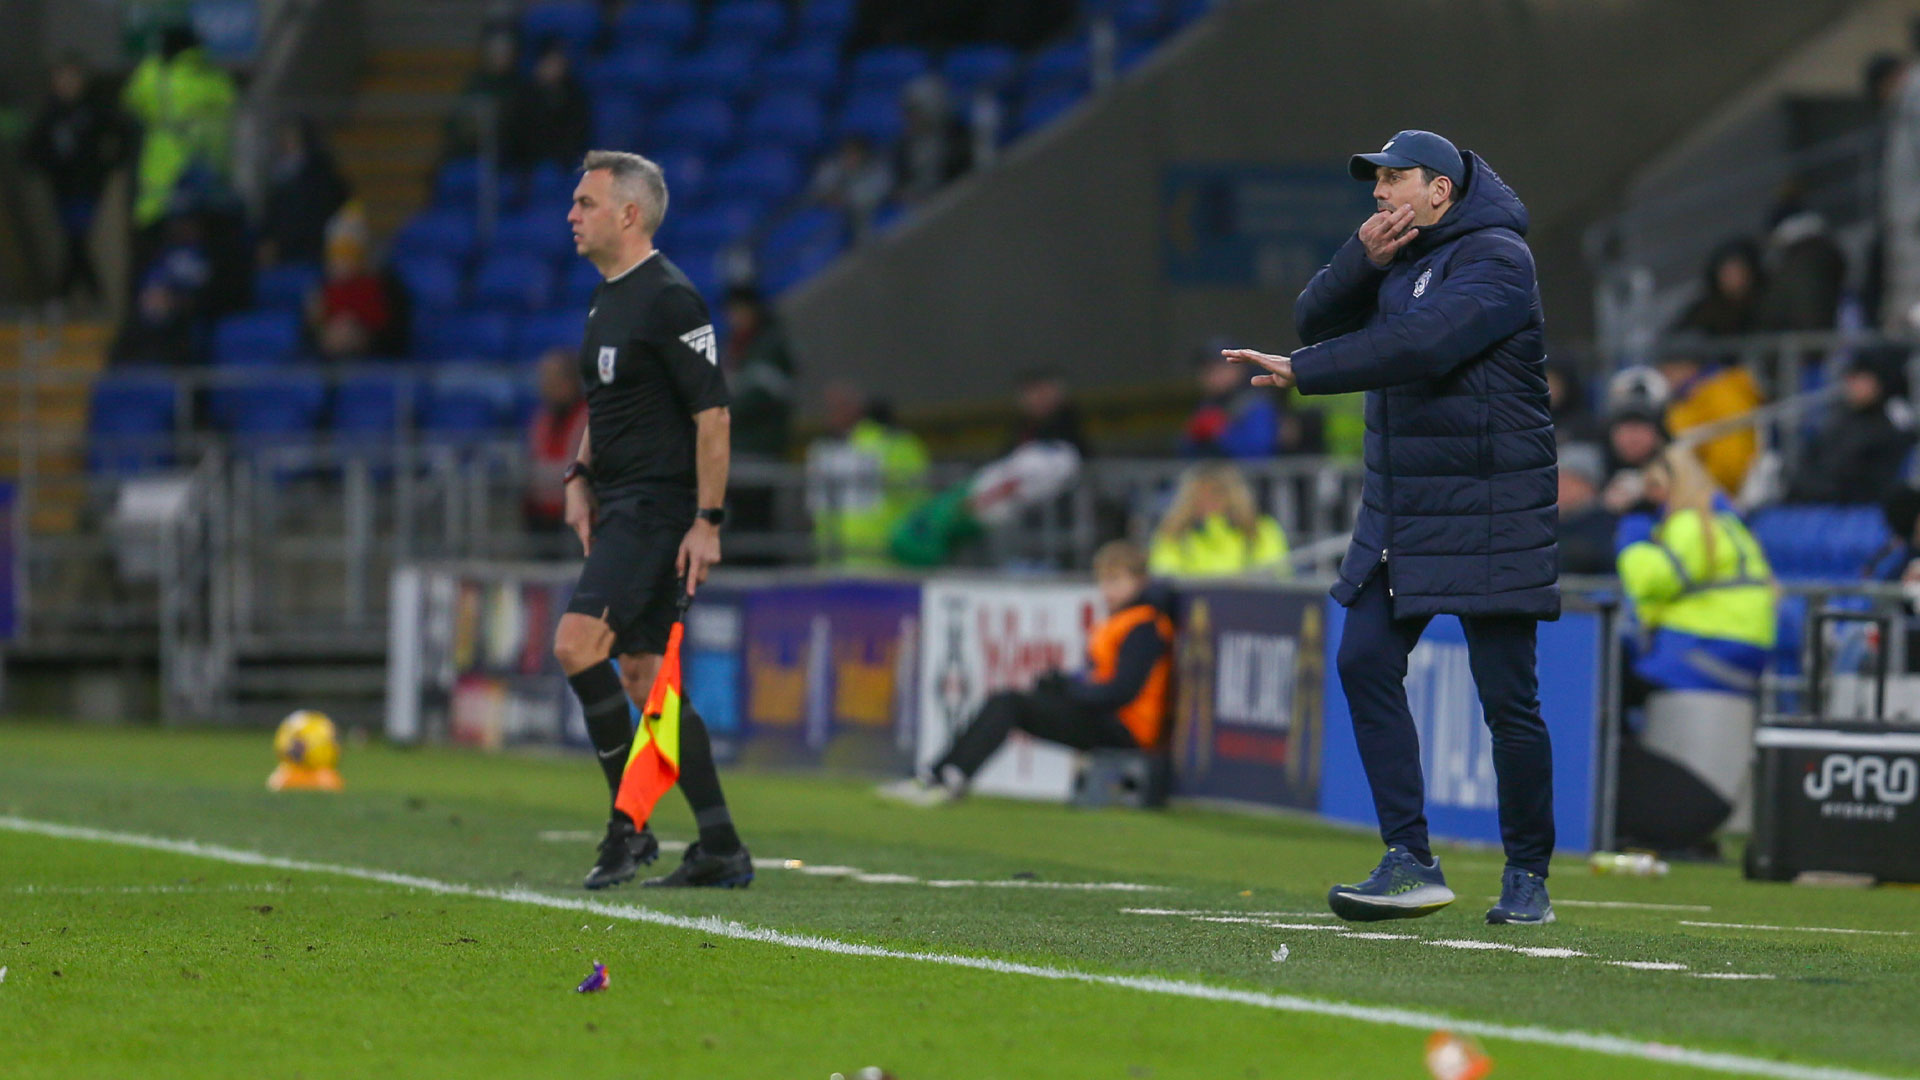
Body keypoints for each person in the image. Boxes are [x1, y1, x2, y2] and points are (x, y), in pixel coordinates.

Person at [1223, 129, 1558, 926]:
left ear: (1439, 189)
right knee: (1364, 660)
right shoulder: (1398, 258)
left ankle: (1528, 876)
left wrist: (1304, 374)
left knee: (1507, 701)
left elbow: (1421, 344)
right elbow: (1312, 318)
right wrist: (1360, 259)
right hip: (1404, 511)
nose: (1378, 193)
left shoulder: (1500, 261)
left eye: (1394, 179)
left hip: (1487, 510)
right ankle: (1409, 857)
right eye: (1374, 182)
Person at [552, 150, 751, 890]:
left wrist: (707, 520)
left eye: (586, 204)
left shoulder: (670, 299)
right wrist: (578, 473)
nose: (572, 215)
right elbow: (609, 405)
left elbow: (714, 415)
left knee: (577, 644)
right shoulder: (608, 297)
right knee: (643, 678)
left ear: (629, 214)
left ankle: (626, 829)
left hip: (659, 508)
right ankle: (722, 845)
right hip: (621, 503)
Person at [880, 540, 1174, 805]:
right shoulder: (1121, 621)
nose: (1107, 590)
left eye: (1116, 580)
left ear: (1140, 581)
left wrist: (1070, 690)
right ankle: (940, 774)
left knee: (1010, 704)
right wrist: (1065, 683)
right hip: (1108, 719)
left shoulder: (1143, 626)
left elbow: (1121, 691)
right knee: (1010, 701)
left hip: (1127, 730)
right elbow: (1101, 681)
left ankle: (947, 776)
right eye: (1103, 581)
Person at [1615, 446, 1777, 852]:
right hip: (1736, 651)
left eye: (1656, 487)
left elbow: (1649, 582)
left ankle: (1622, 792)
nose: (1652, 498)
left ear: (1678, 484)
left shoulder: (1691, 522)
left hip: (1708, 653)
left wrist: (1631, 531)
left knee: (1612, 678)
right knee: (1621, 675)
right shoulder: (1726, 520)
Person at [23, 53, 129, 306]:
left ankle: (66, 295)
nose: (66, 83)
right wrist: (49, 169)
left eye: (71, 77)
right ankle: (90, 295)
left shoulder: (94, 109)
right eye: (61, 78)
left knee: (77, 239)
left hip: (88, 186)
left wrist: (106, 166)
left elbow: (121, 135)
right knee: (74, 240)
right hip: (61, 188)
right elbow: (31, 149)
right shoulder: (51, 113)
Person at [121, 25, 238, 232]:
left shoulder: (153, 74)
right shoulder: (215, 77)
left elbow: (129, 101)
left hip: (162, 191)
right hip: (209, 183)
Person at [806, 381, 930, 566]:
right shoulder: (823, 449)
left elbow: (916, 499)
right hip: (833, 563)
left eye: (838, 407)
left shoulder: (892, 445)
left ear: (856, 409)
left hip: (883, 563)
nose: (830, 414)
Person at [1787, 350, 1916, 505]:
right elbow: (1810, 461)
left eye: (1858, 378)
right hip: (1816, 504)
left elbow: (1872, 482)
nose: (1851, 384)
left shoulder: (1890, 427)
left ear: (1878, 381)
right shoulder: (1838, 420)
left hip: (1855, 512)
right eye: (1850, 378)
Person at [1181, 345, 1323, 460]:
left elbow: (1260, 449)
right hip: (1218, 484)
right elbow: (1185, 451)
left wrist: (1221, 435)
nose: (1212, 377)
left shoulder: (1255, 401)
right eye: (1206, 371)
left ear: (1238, 369)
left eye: (1219, 369)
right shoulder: (1207, 405)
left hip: (1254, 486)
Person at [1148, 462, 1290, 578]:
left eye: (1216, 492)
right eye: (1199, 493)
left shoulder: (1260, 530)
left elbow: (1276, 576)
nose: (1207, 499)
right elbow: (1164, 574)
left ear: (1233, 496)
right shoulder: (1173, 532)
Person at [1656, 351, 1763, 497]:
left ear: (1690, 367)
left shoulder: (1724, 396)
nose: (1666, 377)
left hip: (1717, 499)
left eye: (1670, 371)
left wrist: (1701, 491)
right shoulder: (1689, 397)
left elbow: (1730, 463)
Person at [257, 117, 349, 268]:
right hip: (287, 251)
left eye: (291, 139)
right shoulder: (281, 173)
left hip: (311, 250)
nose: (286, 144)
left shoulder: (321, 175)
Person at [307, 204, 391, 361]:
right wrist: (318, 327)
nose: (341, 262)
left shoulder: (384, 288)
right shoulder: (321, 290)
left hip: (370, 364)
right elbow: (307, 340)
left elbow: (393, 336)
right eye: (335, 254)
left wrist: (363, 336)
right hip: (327, 364)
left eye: (348, 253)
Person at [526, 348, 589, 535]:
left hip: (576, 511)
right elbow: (533, 463)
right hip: (541, 512)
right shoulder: (542, 418)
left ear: (571, 381)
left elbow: (580, 466)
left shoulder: (587, 417)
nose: (546, 386)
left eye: (553, 379)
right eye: (545, 379)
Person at [503, 39, 591, 170]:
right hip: (529, 161)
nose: (554, 69)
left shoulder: (574, 95)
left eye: (558, 63)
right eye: (549, 63)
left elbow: (577, 132)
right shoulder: (524, 96)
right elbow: (519, 134)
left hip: (563, 160)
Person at [893, 75, 971, 205]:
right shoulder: (903, 145)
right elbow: (899, 183)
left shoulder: (958, 139)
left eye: (915, 112)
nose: (910, 119)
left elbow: (964, 180)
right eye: (908, 113)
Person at [1673, 239, 1764, 339]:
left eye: (1737, 272)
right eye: (1727, 273)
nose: (1732, 278)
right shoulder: (1707, 310)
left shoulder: (1764, 304)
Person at [809, 136, 894, 238]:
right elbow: (819, 186)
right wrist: (827, 195)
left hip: (863, 215)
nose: (850, 158)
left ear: (863, 155)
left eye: (854, 154)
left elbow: (873, 194)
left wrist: (845, 199)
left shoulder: (878, 171)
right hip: (826, 212)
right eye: (847, 154)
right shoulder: (833, 167)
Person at [1555, 443, 1616, 576]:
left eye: (1569, 481)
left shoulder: (1607, 523)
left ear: (1590, 486)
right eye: (1557, 480)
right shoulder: (1545, 524)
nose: (1560, 488)